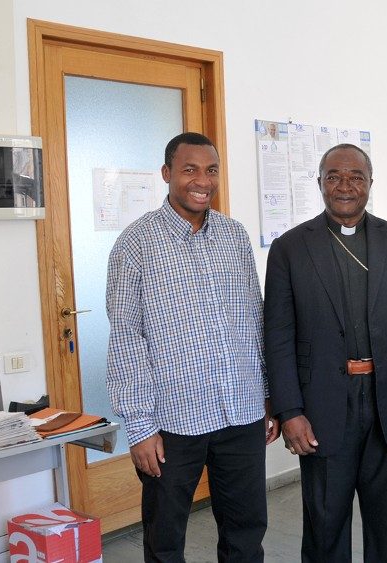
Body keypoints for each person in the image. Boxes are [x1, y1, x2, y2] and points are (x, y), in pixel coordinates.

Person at [106, 132, 278, 562]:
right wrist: (140, 425)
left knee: (246, 532)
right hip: (171, 422)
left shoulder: (234, 237)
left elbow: (254, 322)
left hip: (240, 410)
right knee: (165, 541)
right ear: (167, 174)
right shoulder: (135, 244)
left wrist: (269, 396)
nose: (202, 180)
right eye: (189, 170)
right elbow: (126, 338)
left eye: (211, 170)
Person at [265, 143, 387, 562]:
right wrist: (289, 411)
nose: (345, 186)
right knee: (325, 528)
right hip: (322, 407)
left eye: (356, 177)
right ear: (320, 183)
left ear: (370, 184)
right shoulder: (290, 248)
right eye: (334, 177)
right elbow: (278, 336)